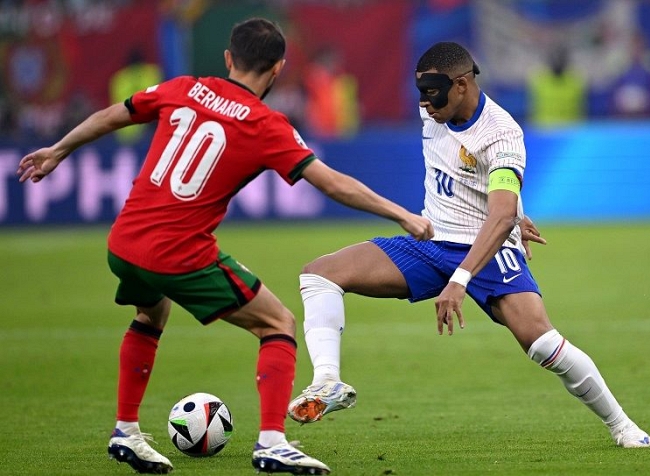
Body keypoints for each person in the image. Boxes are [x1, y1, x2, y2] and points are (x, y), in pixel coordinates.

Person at [17, 18, 433, 475]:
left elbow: (113, 114)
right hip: (177, 252)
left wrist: (58, 149)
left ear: (229, 58)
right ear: (278, 68)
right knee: (278, 323)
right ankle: (273, 442)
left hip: (124, 241)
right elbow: (331, 183)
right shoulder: (265, 124)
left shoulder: (183, 88)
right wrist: (401, 214)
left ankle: (126, 430)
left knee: (150, 314)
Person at [288, 41, 650, 450]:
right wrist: (517, 213)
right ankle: (328, 382)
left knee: (541, 342)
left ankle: (622, 426)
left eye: (433, 93)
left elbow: (500, 213)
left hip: (487, 252)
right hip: (431, 241)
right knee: (319, 274)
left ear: (461, 85)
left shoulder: (500, 133)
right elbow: (490, 193)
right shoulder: (435, 112)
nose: (424, 104)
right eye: (421, 93)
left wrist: (464, 275)